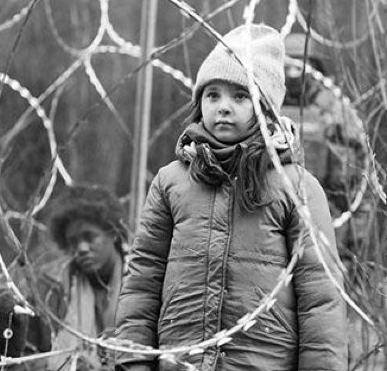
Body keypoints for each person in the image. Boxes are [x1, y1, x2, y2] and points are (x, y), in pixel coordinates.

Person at [114, 24, 347, 371]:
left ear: (265, 107)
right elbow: (142, 279)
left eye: (240, 97)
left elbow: (320, 296)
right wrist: (133, 361)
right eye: (213, 95)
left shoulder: (296, 186)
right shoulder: (170, 183)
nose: (224, 107)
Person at [279, 32, 367, 261]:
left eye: (300, 65)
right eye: (287, 65)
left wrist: (355, 242)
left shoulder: (335, 112)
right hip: (274, 220)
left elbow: (359, 181)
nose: (292, 73)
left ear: (314, 67)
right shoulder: (264, 109)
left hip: (326, 222)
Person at [33, 185, 129, 370]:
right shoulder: (53, 289)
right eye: (74, 241)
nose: (82, 248)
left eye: (89, 237)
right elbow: (32, 355)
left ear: (113, 234)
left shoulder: (145, 280)